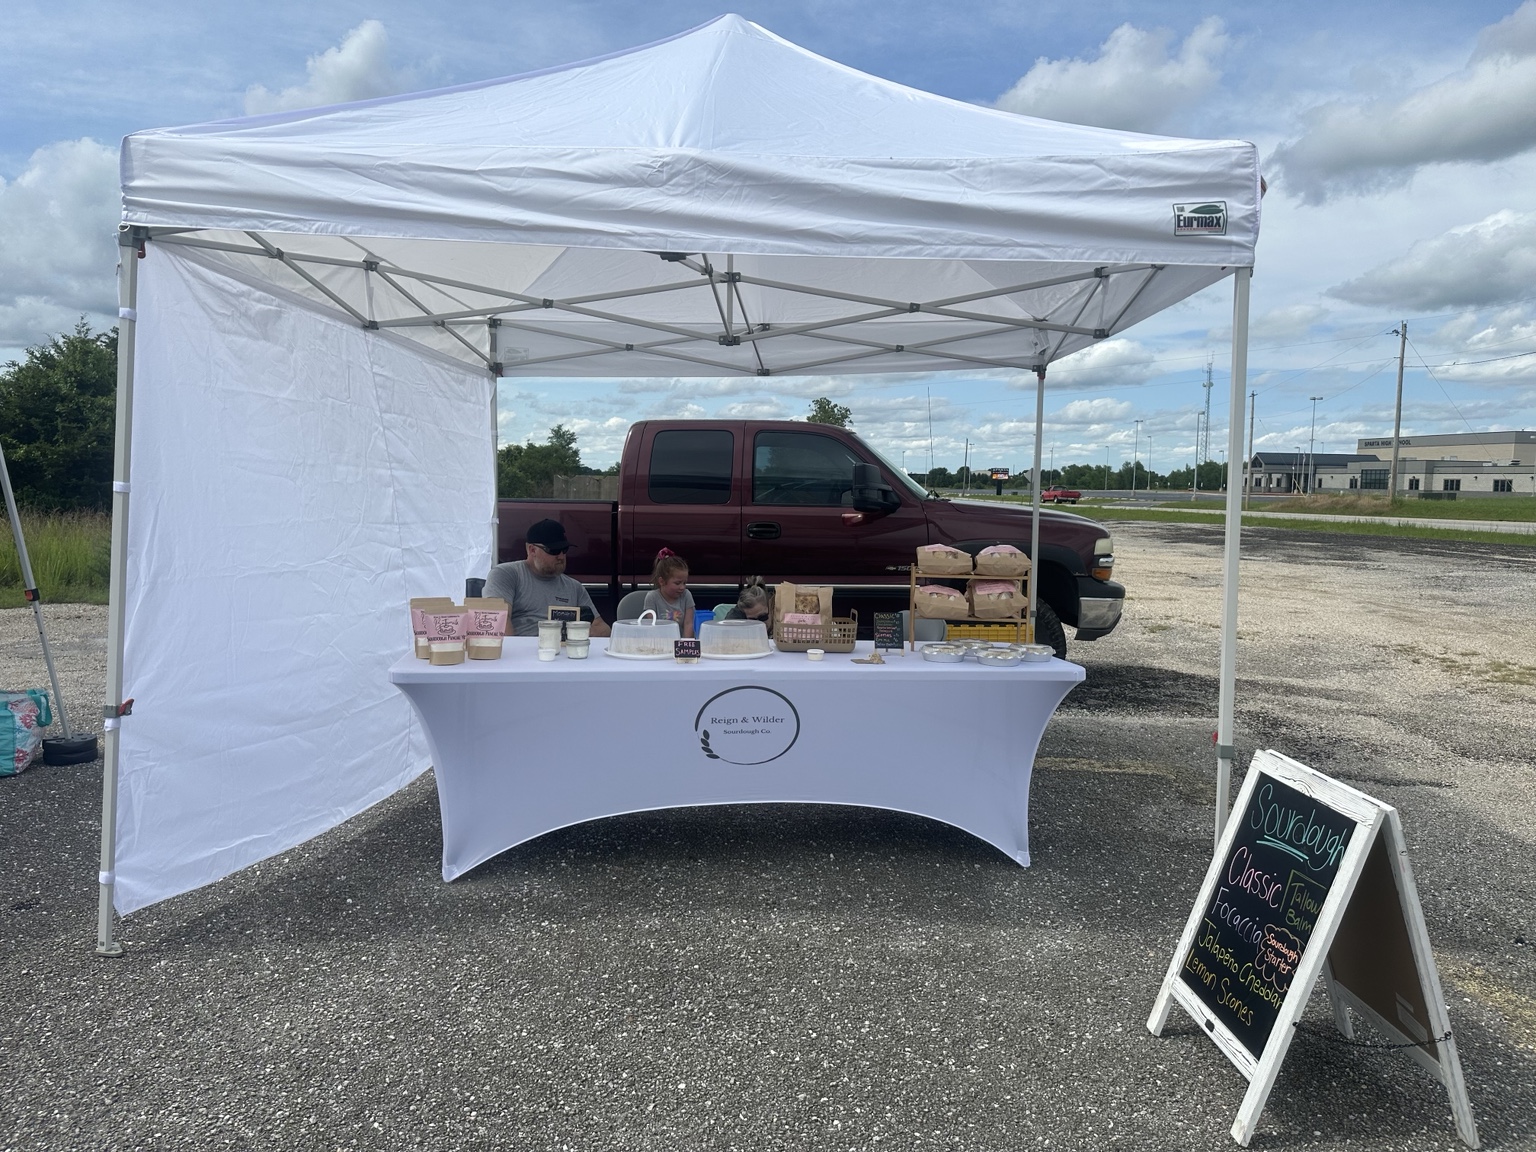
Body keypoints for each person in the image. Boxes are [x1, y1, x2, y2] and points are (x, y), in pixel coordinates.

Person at [484, 518, 611, 638]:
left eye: (564, 549)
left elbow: (603, 628)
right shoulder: (505, 574)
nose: (561, 557)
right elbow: (498, 620)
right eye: (554, 550)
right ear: (532, 550)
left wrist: (577, 632)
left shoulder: (574, 587)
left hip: (564, 654)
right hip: (522, 653)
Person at [642, 548, 696, 637]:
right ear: (662, 581)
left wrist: (685, 643)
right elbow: (652, 626)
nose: (682, 587)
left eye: (684, 583)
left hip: (680, 643)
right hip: (659, 642)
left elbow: (689, 623)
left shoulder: (686, 595)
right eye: (677, 583)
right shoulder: (652, 597)